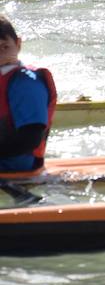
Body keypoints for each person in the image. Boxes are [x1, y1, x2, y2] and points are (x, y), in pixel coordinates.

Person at [0, 15, 56, 173]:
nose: (1, 55)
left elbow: (30, 138)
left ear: (18, 44)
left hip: (15, 165)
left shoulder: (26, 83)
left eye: (5, 47)